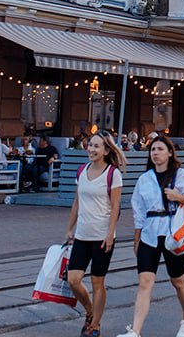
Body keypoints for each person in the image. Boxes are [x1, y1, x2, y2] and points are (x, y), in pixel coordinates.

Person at [117, 134, 184, 337]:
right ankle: (135, 331)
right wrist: (136, 238)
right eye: (153, 150)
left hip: (174, 233)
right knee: (145, 282)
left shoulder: (181, 175)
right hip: (150, 233)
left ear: (170, 152)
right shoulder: (144, 179)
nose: (155, 153)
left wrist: (179, 197)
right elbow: (138, 210)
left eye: (160, 149)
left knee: (178, 280)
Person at [65, 132, 125, 337]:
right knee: (73, 279)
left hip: (102, 236)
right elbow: (77, 202)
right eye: (90, 145)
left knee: (97, 281)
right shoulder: (81, 171)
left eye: (97, 146)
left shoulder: (113, 174)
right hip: (82, 234)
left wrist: (110, 234)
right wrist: (69, 229)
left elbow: (115, 207)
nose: (91, 149)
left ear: (106, 151)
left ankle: (95, 325)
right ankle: (90, 311)